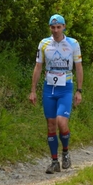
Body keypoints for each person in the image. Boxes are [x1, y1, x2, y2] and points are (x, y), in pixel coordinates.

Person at [29, 14, 83, 174]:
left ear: (64, 27)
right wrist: (33, 90)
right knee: (51, 125)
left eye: (58, 27)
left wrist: (79, 91)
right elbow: (38, 67)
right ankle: (54, 161)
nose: (55, 30)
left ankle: (65, 152)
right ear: (50, 28)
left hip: (65, 88)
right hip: (49, 88)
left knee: (61, 122)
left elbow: (79, 67)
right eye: (53, 27)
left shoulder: (73, 44)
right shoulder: (44, 44)